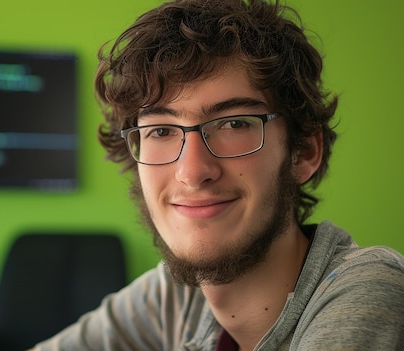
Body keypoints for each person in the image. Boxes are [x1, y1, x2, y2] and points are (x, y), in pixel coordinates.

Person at [32, 0, 404, 350]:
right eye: (160, 130)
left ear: (304, 152)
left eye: (235, 123)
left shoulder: (368, 286)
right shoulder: (175, 297)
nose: (192, 172)